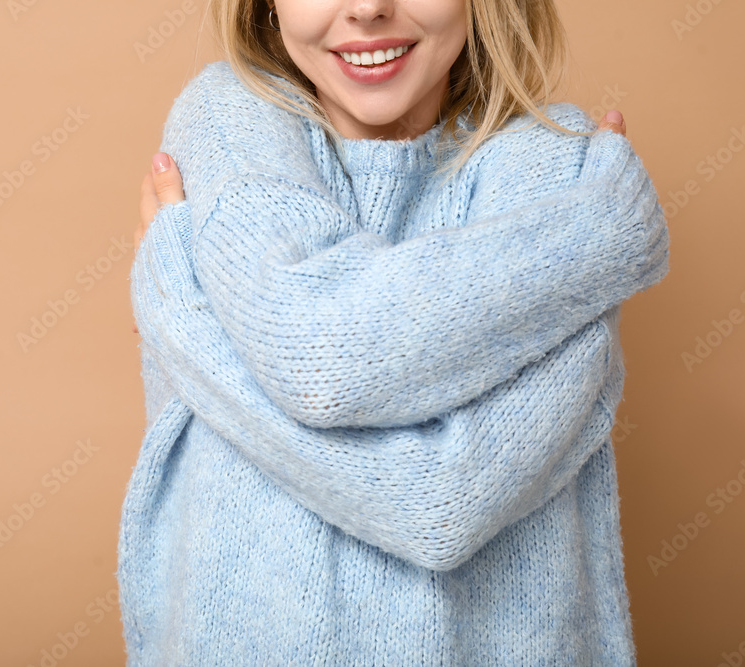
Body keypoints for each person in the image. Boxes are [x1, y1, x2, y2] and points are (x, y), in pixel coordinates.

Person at [122, 0, 669, 664]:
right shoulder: (228, 118)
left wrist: (183, 321)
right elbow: (323, 353)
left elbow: (441, 501)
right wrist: (604, 236)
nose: (367, 8)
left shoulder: (560, 171)